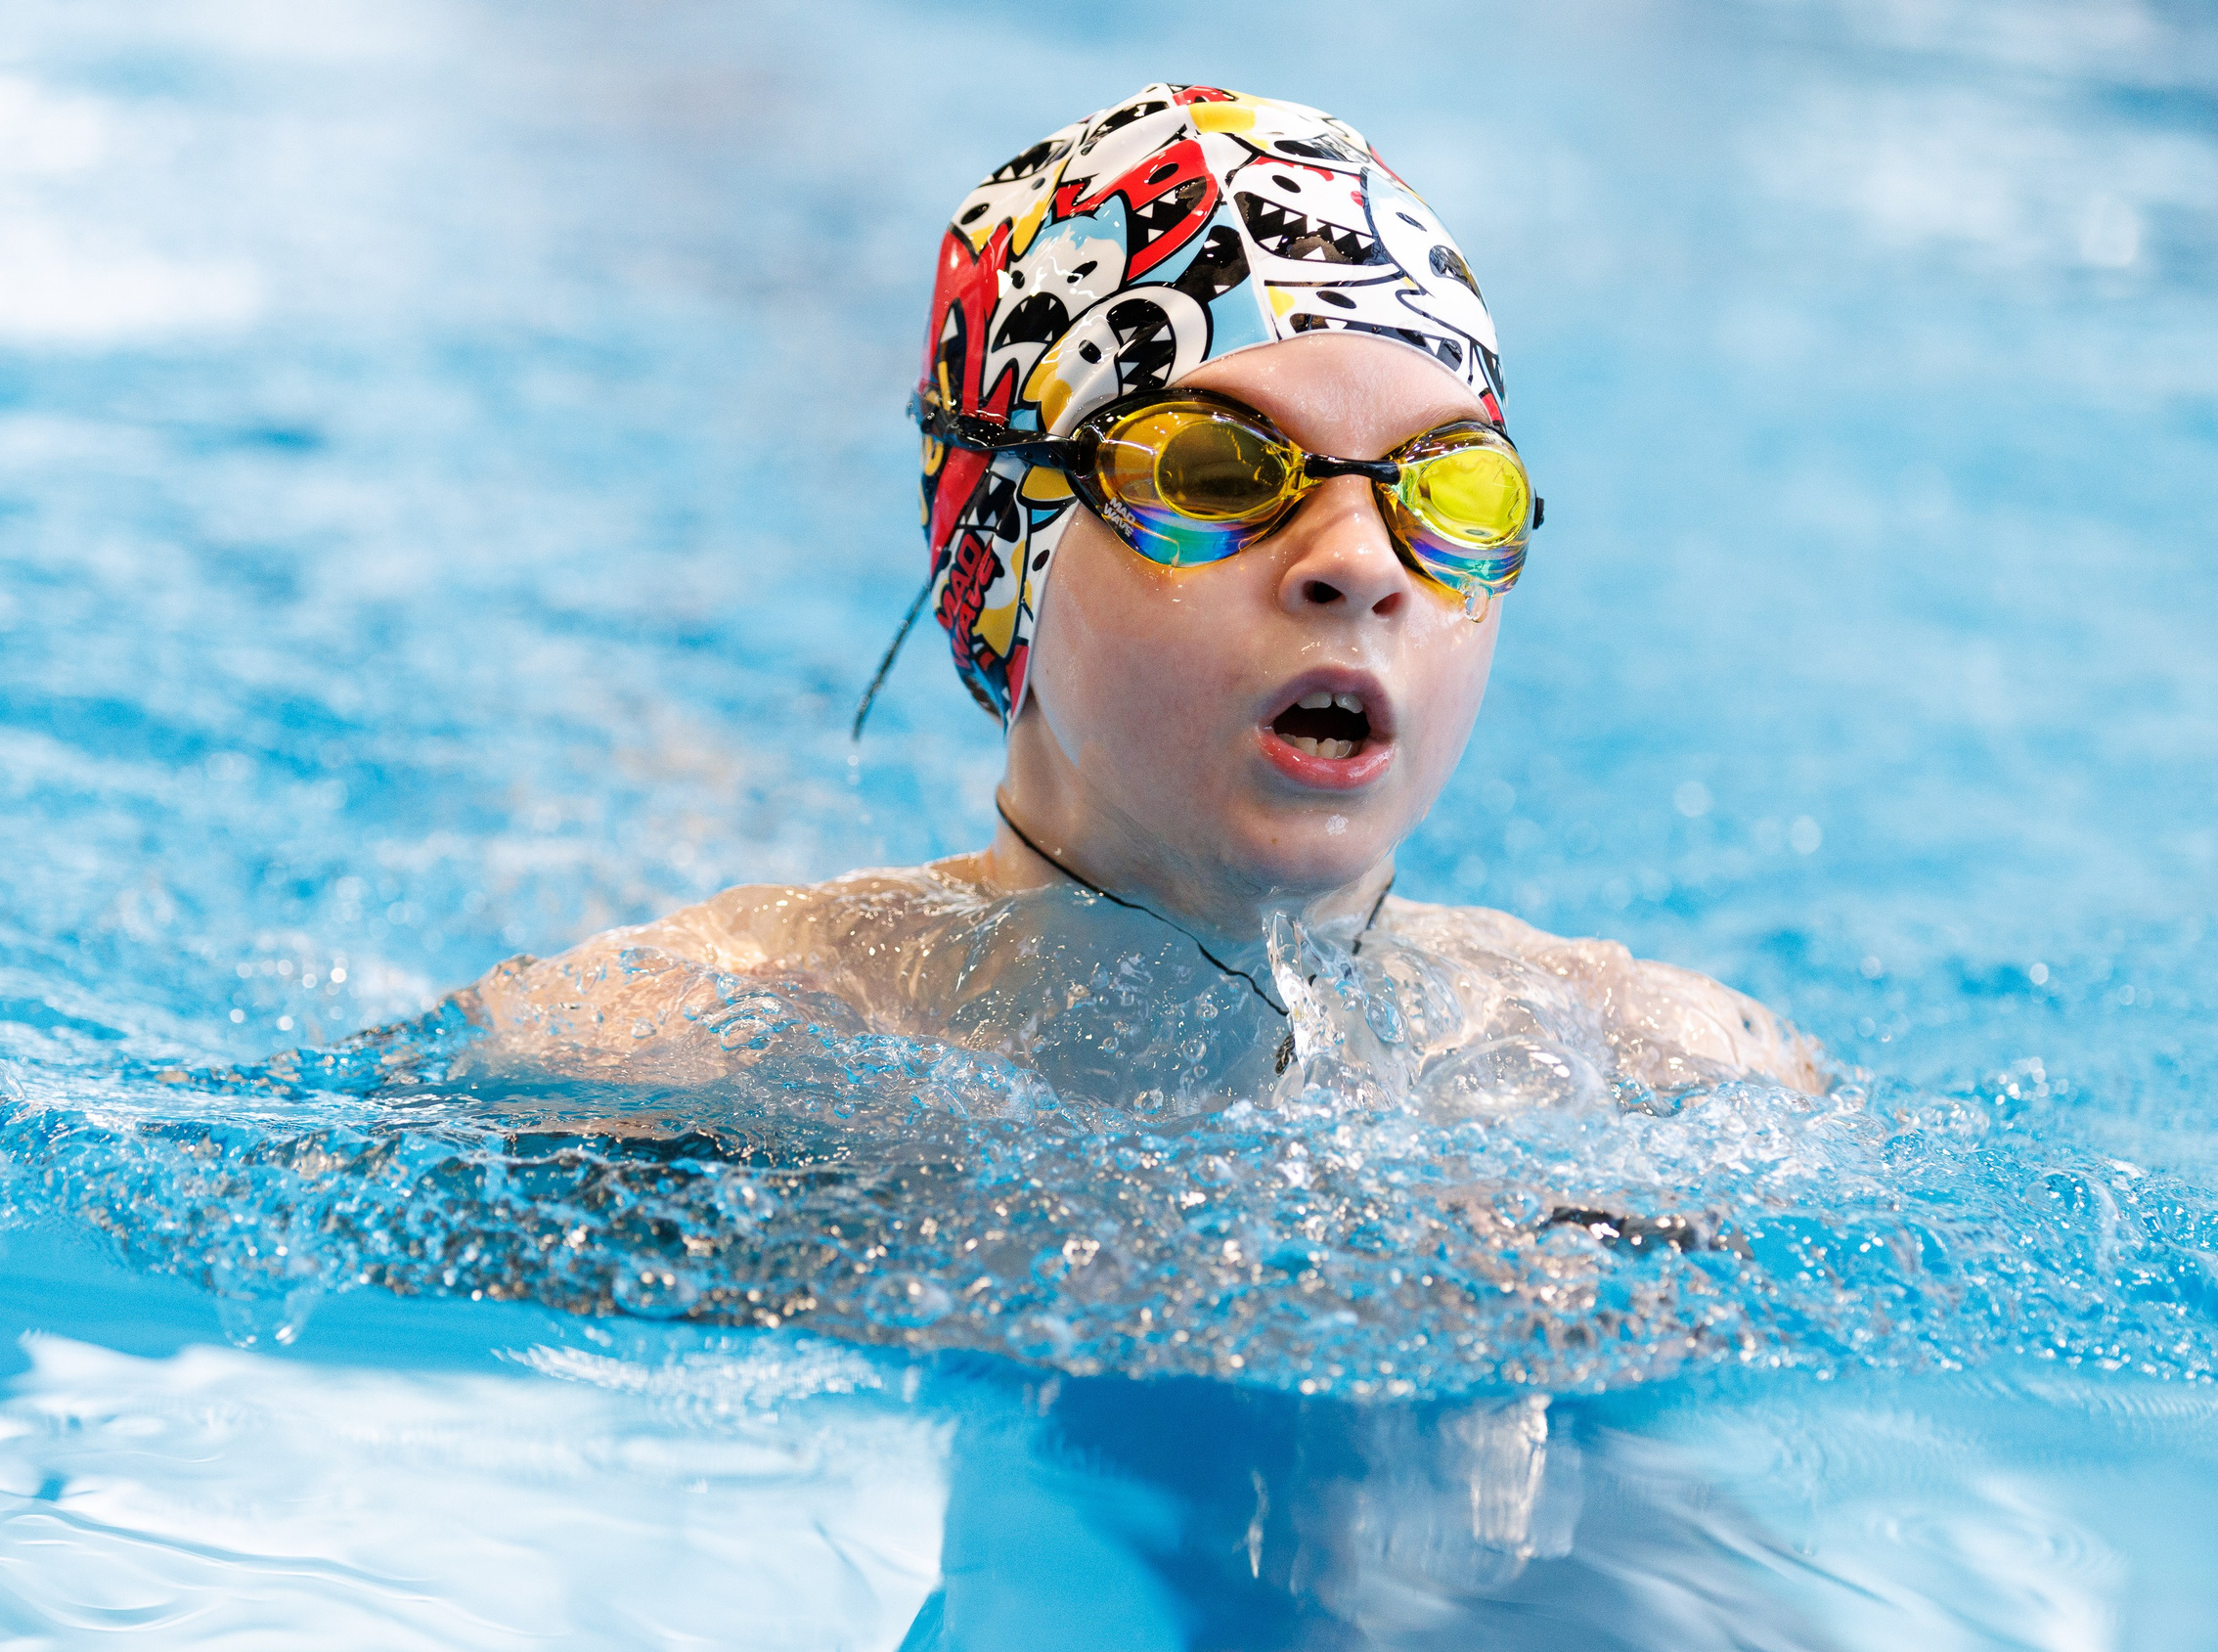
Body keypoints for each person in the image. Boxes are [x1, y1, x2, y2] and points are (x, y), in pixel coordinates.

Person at [453, 84, 1823, 1116]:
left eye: (1448, 488)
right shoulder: (678, 1047)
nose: (1359, 558)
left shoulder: (1669, 1072)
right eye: (1218, 470)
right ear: (1009, 561)